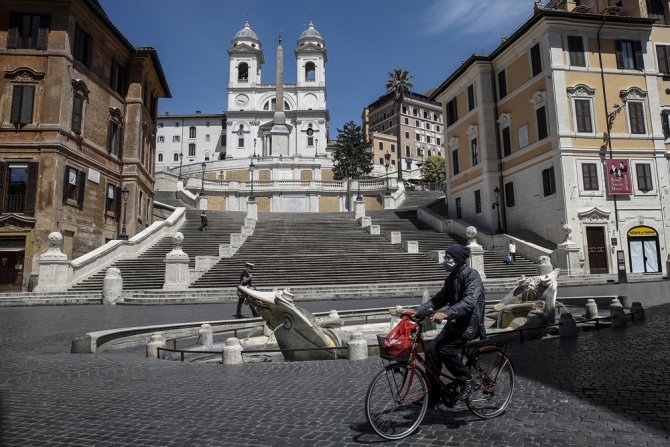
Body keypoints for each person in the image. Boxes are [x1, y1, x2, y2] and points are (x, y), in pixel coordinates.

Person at [403, 245, 486, 406]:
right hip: (455, 325)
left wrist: (447, 313)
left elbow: (469, 302)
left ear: (458, 260)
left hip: (469, 325)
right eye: (445, 257)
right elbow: (438, 300)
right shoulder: (451, 279)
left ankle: (466, 379)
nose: (445, 260)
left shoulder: (472, 276)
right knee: (432, 350)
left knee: (445, 349)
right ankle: (434, 395)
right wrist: (417, 311)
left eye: (448, 258)